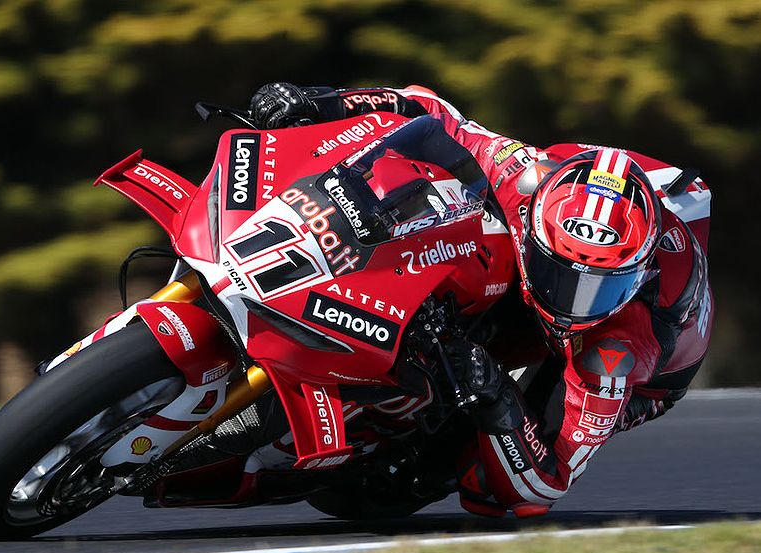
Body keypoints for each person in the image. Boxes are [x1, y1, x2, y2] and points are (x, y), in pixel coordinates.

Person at [248, 83, 714, 518]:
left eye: (599, 288)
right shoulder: (523, 178)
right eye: (561, 275)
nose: (572, 303)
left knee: (486, 485)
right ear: (534, 220)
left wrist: (496, 394)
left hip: (640, 371)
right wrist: (319, 103)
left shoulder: (617, 354)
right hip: (537, 271)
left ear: (637, 276)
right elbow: (425, 108)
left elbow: (545, 487)